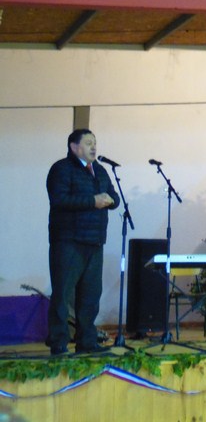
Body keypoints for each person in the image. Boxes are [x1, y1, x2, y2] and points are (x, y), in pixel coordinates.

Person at [46, 129, 119, 356]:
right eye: (88, 143)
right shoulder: (61, 169)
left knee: (90, 295)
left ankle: (87, 341)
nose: (93, 147)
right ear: (74, 147)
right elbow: (59, 200)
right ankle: (58, 342)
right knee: (63, 293)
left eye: (94, 142)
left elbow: (114, 197)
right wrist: (92, 201)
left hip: (95, 241)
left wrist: (111, 200)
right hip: (68, 241)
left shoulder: (100, 170)